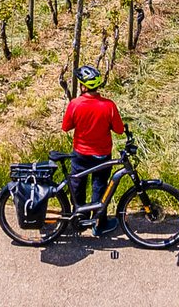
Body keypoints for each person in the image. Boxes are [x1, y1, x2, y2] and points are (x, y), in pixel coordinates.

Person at [62, 66, 126, 233]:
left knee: (78, 186)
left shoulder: (75, 104)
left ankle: (79, 221)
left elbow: (66, 127)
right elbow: (119, 130)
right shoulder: (109, 106)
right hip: (102, 155)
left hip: (80, 154)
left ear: (83, 87)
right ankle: (98, 225)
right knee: (99, 188)